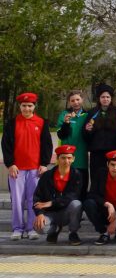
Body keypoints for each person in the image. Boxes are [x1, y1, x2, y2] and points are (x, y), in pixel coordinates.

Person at [3, 92, 53, 241]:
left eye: (30, 105)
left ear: (34, 106)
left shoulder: (41, 122)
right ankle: (17, 228)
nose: (27, 108)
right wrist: (10, 164)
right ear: (20, 106)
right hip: (17, 169)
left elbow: (47, 145)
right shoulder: (12, 123)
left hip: (35, 169)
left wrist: (44, 164)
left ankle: (32, 228)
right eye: (24, 105)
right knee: (17, 200)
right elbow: (6, 145)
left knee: (33, 199)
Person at [31, 145, 83, 245]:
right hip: (50, 213)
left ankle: (73, 233)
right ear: (57, 159)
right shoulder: (47, 176)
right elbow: (37, 196)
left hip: (66, 212)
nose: (66, 161)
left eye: (69, 158)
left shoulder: (77, 175)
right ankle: (53, 231)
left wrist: (51, 203)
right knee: (39, 227)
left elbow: (72, 196)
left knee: (76, 204)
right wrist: (40, 213)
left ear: (73, 159)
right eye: (63, 158)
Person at [83, 84, 116, 188]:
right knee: (96, 177)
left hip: (113, 152)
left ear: (111, 98)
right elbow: (85, 135)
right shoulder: (92, 113)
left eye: (108, 97)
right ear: (99, 98)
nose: (105, 99)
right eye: (103, 97)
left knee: (112, 178)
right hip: (97, 152)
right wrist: (87, 130)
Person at [56, 91, 89, 197]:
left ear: (82, 100)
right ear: (69, 102)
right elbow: (61, 135)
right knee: (66, 188)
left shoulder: (87, 115)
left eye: (78, 99)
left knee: (82, 187)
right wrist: (66, 123)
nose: (75, 102)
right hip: (67, 157)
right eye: (72, 100)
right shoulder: (64, 114)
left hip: (81, 157)